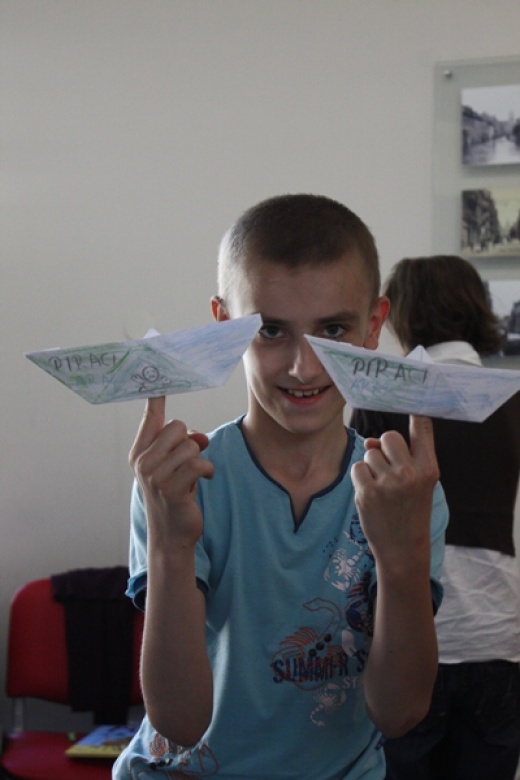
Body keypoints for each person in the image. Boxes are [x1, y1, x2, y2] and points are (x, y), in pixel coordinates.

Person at [113, 195, 448, 780]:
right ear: (225, 327)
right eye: (270, 330)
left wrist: (402, 556)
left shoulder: (402, 491)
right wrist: (170, 543)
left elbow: (400, 713)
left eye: (333, 330)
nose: (303, 367)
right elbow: (180, 722)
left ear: (373, 326)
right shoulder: (179, 483)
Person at [351, 255, 520, 780]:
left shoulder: (384, 396)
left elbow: (352, 520)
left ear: (401, 313)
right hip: (499, 629)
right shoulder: (512, 398)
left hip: (409, 630)